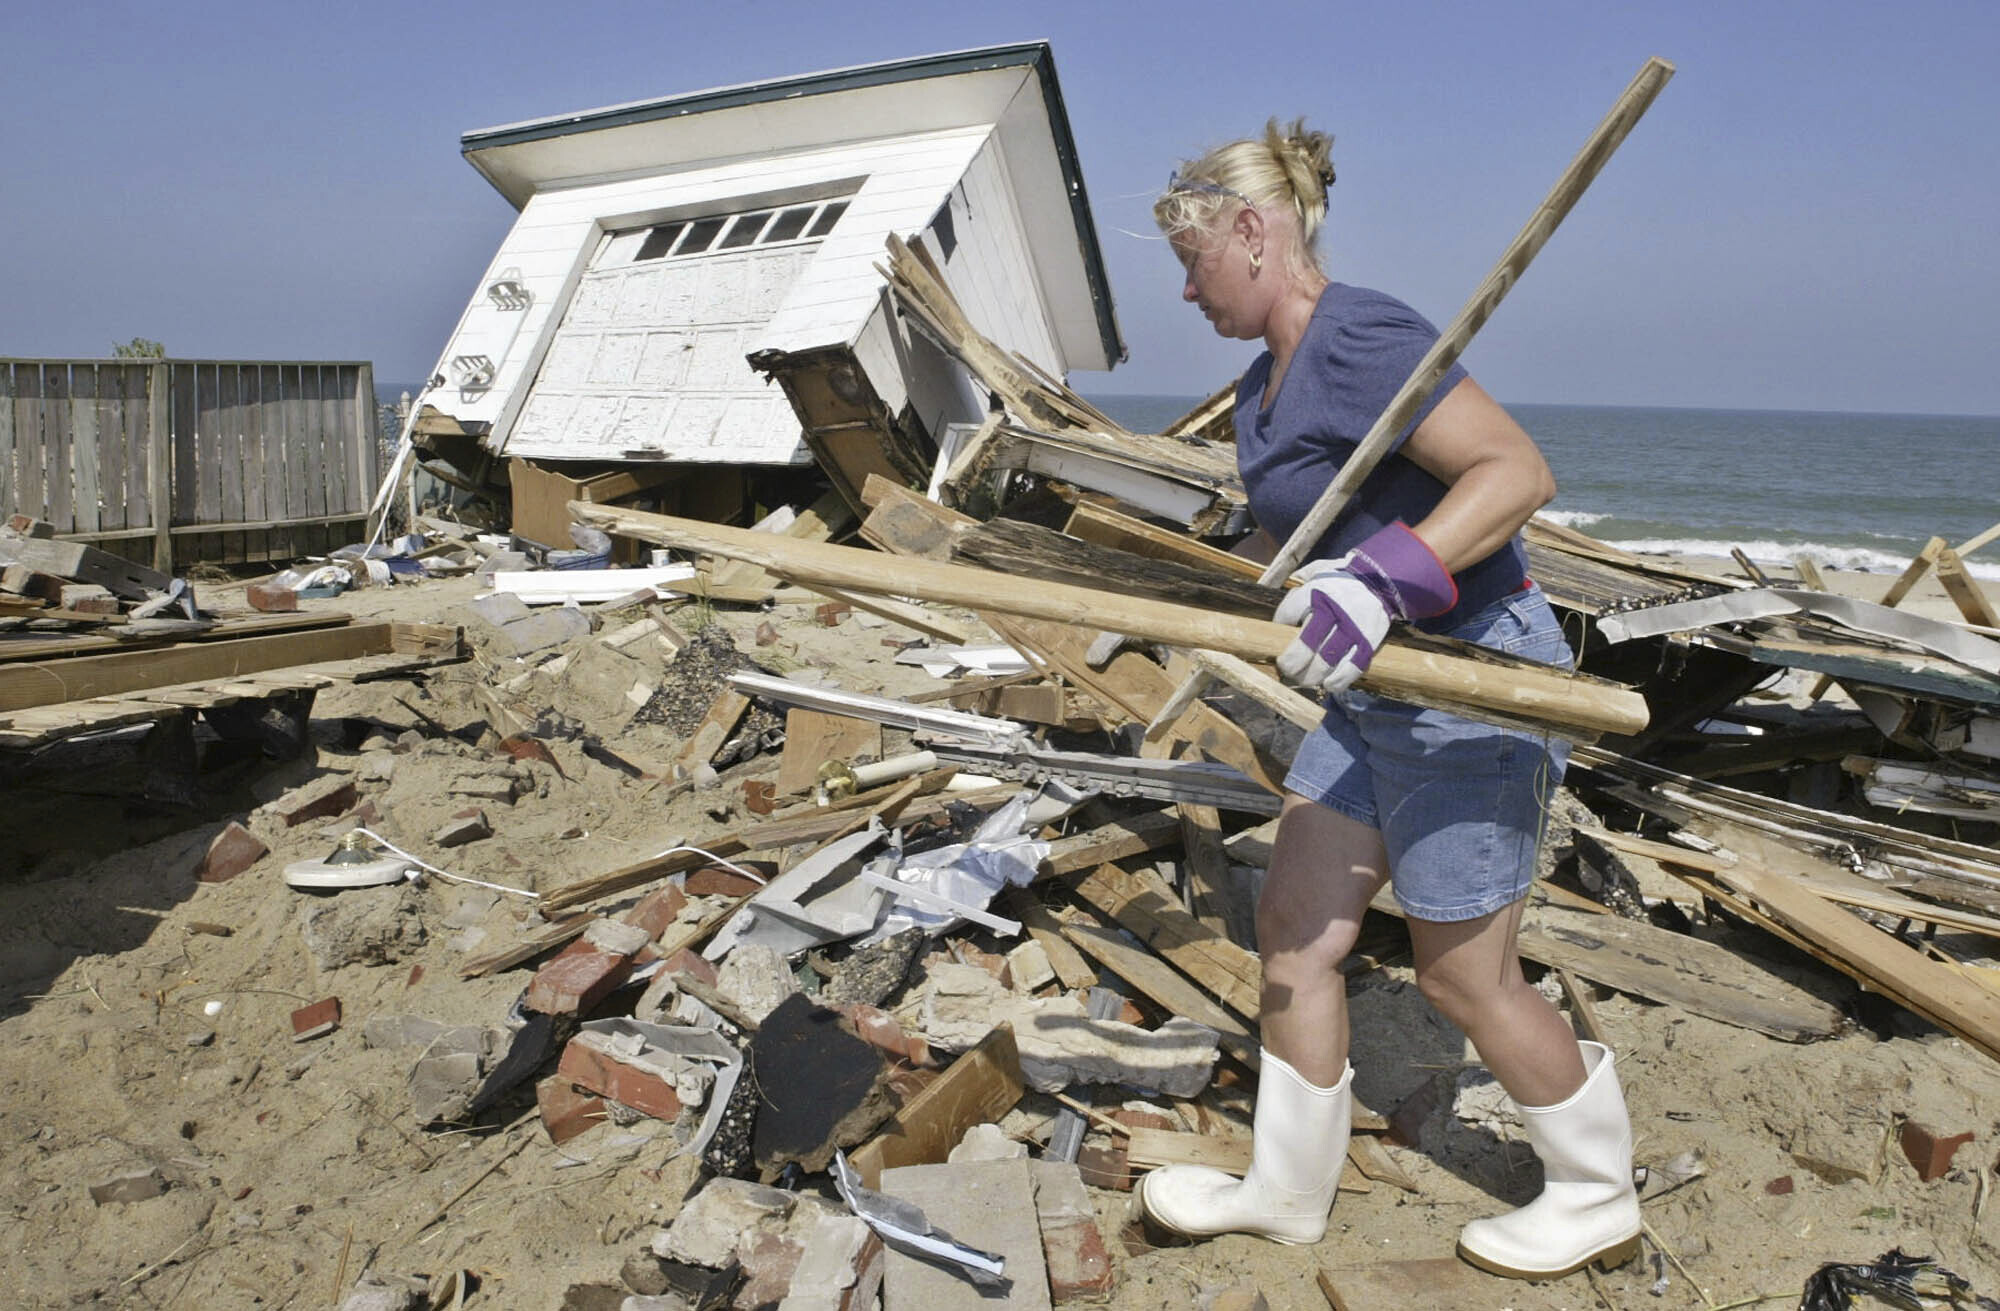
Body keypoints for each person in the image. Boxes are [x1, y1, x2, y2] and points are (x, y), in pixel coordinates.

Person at [1132, 119, 1641, 1281]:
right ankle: (1286, 1191)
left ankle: (1595, 1192)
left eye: (1191, 259)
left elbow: (1513, 473)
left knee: (1463, 972)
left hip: (1466, 674)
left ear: (1252, 233)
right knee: (1293, 937)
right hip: (1375, 691)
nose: (1182, 288)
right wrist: (1244, 577)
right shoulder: (1263, 382)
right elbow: (1304, 522)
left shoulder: (1356, 332)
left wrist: (1377, 585)